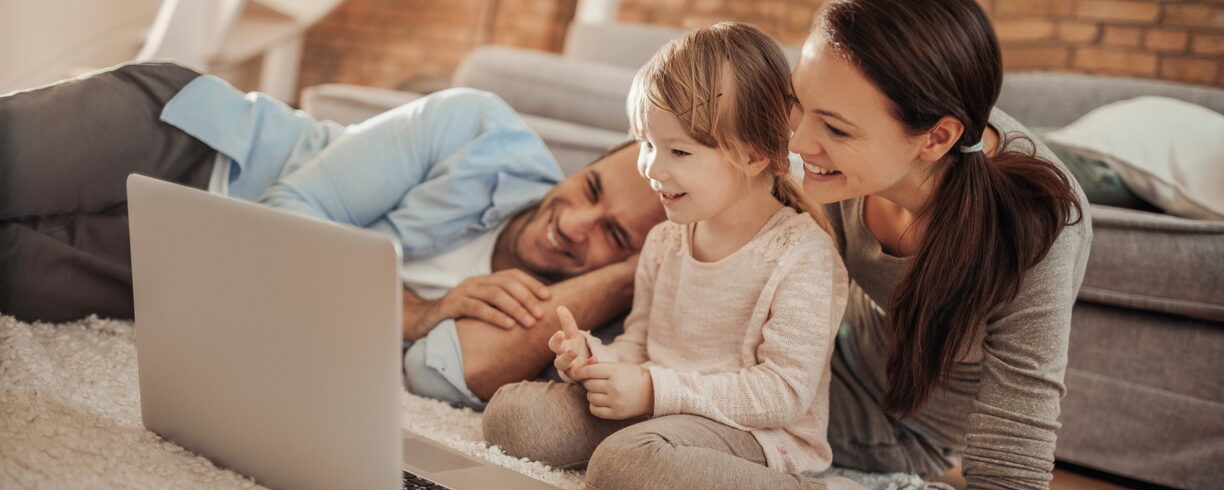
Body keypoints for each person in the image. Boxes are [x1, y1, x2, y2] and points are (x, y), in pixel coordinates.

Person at [0, 61, 664, 409]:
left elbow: (439, 375)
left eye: (615, 237)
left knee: (19, 276)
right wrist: (415, 309)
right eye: (592, 189)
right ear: (584, 164)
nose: (575, 225)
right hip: (192, 146)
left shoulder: (556, 315)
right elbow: (287, 212)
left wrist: (632, 273)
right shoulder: (479, 127)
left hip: (201, 271)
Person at [481, 23, 852, 490]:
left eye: (678, 150)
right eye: (648, 144)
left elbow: (783, 394)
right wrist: (594, 361)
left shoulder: (801, 254)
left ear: (754, 156)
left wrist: (654, 391)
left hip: (754, 433)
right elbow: (640, 346)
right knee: (512, 415)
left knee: (626, 464)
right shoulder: (665, 241)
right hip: (662, 409)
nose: (653, 170)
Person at [789, 0, 1091, 487]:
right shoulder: (870, 137)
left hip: (900, 425)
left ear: (937, 139)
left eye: (836, 128)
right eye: (797, 102)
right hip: (828, 356)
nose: (799, 142)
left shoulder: (1039, 226)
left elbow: (1018, 431)